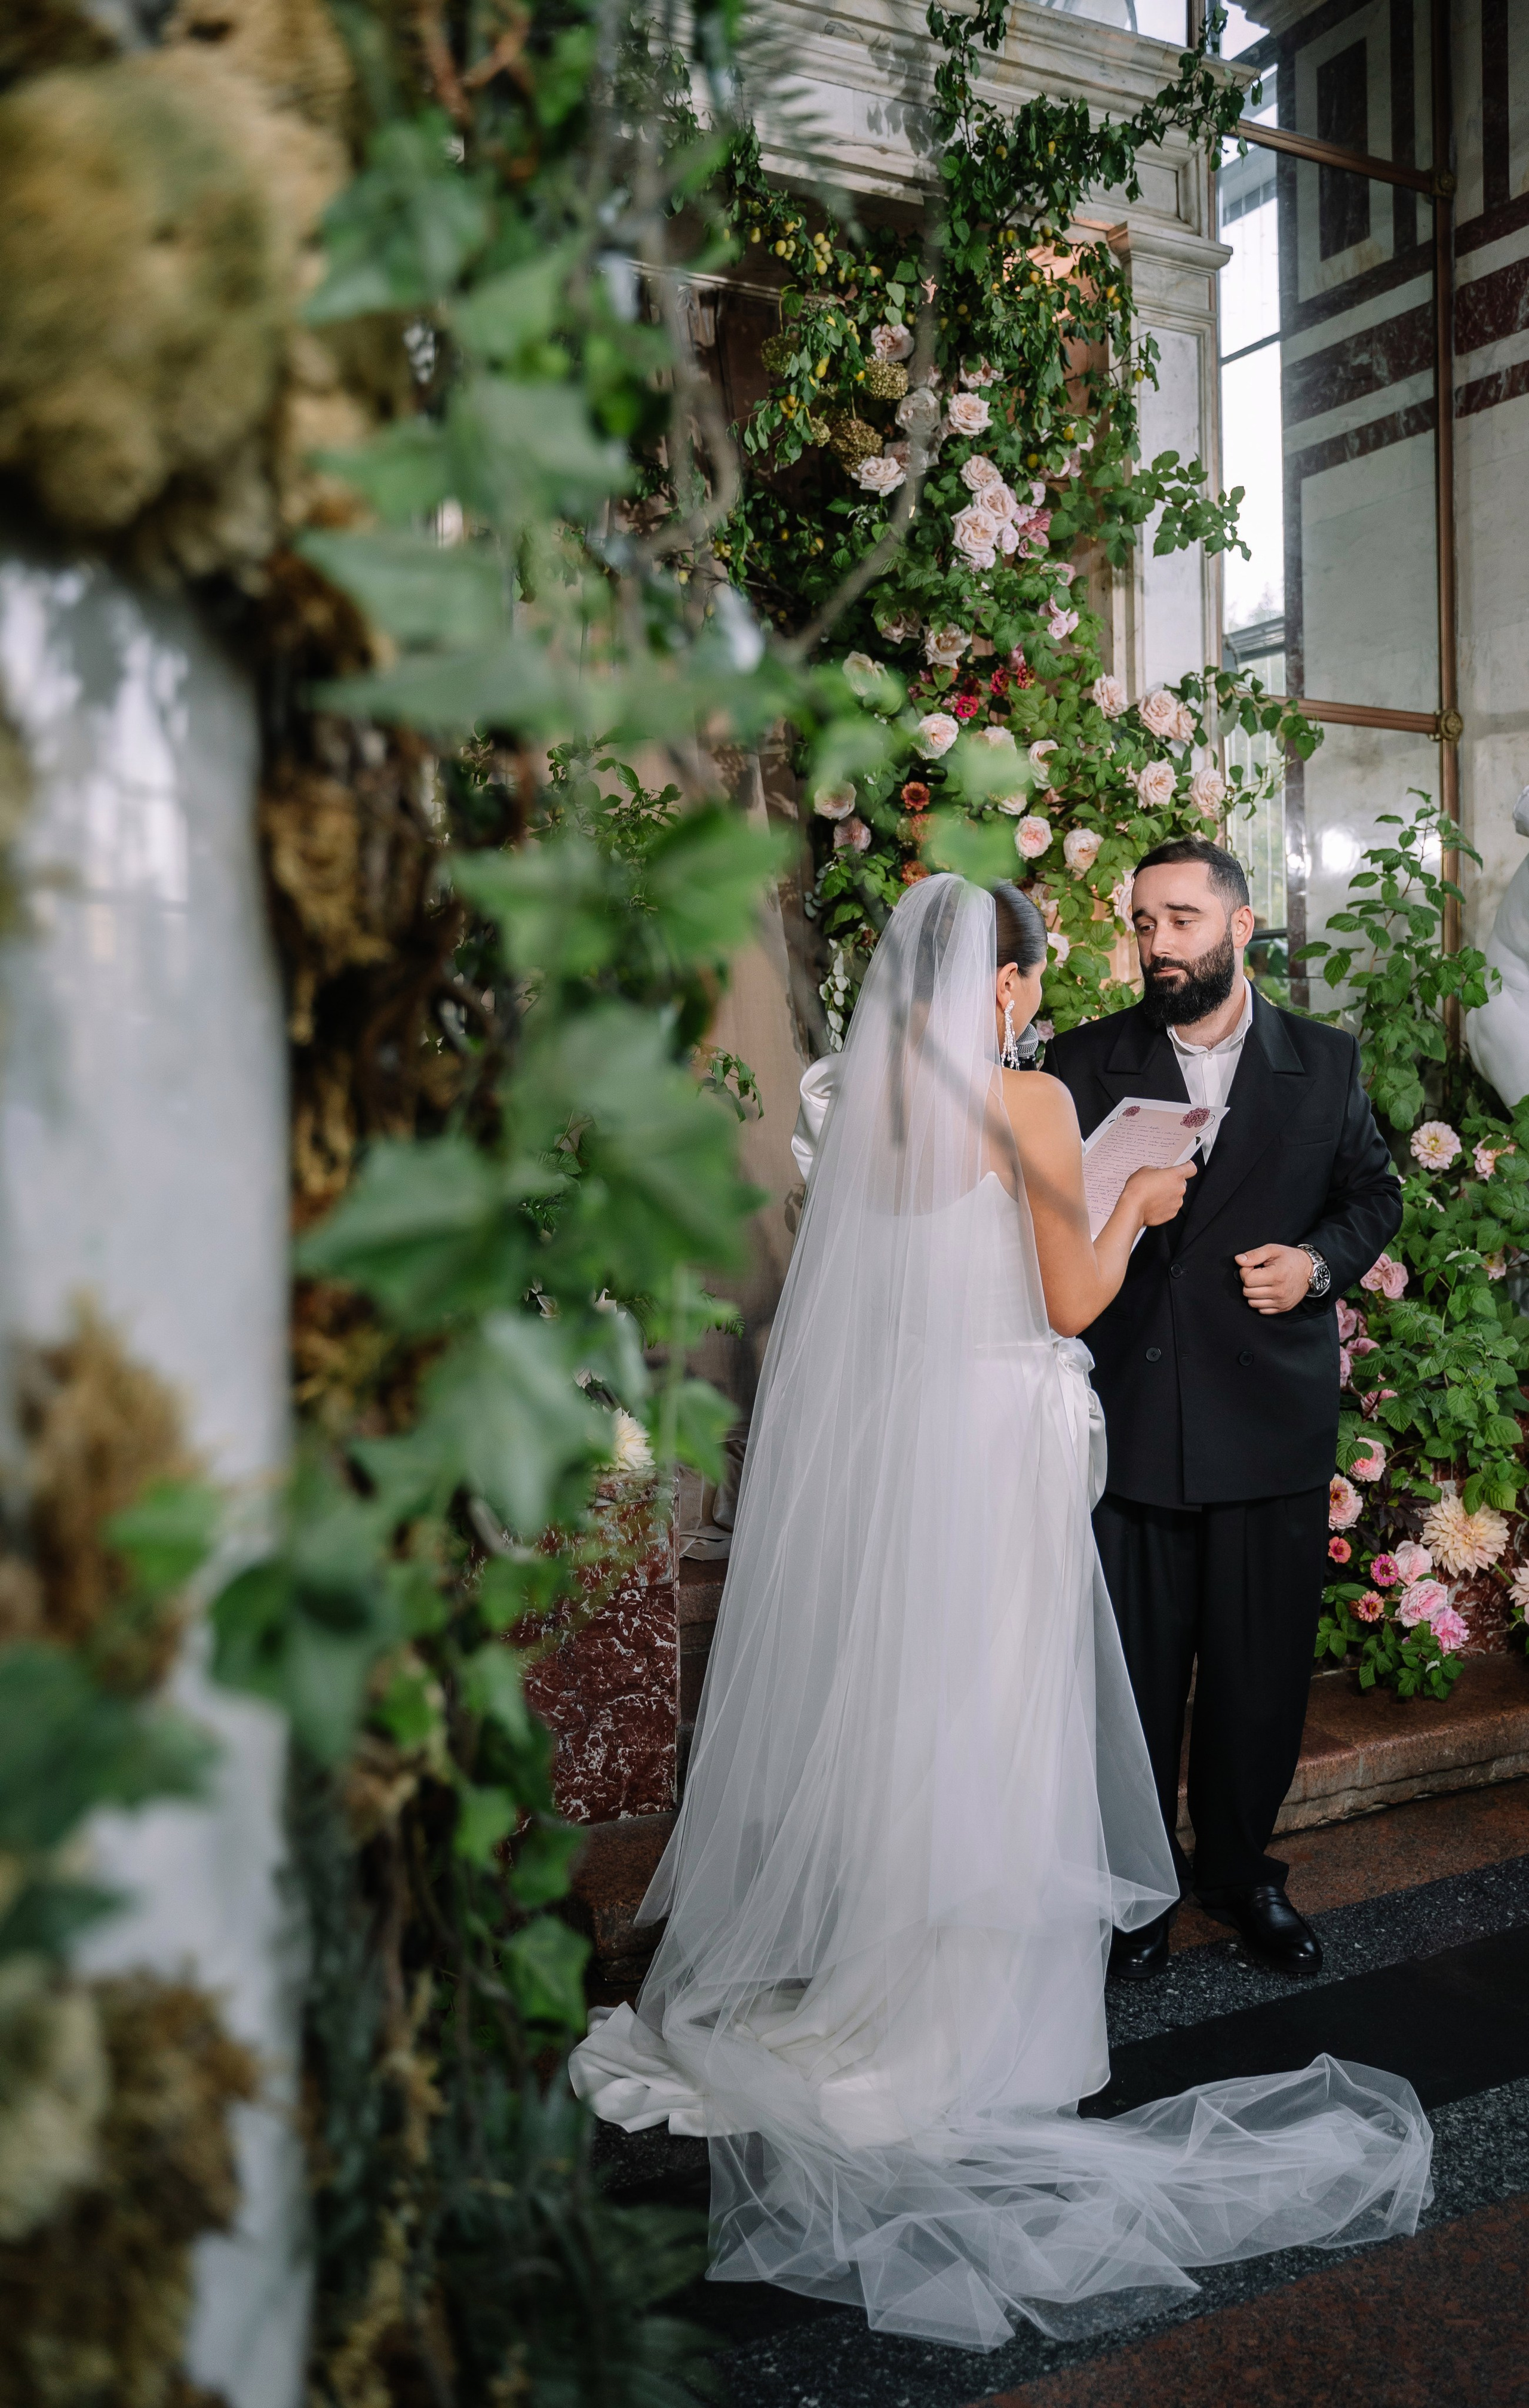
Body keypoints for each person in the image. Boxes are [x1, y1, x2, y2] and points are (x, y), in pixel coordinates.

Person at [569, 874, 1429, 2351]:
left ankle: (884, 1971)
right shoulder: (1028, 1096)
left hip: (910, 1444)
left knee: (913, 1699)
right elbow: (1070, 1299)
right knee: (1000, 1706)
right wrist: (1136, 1202)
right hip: (1006, 1439)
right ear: (1010, 982)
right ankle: (973, 2020)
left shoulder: (861, 1101)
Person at [1047, 838, 1404, 1982]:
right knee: (1136, 1678)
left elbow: (1375, 1193)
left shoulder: (1325, 1061)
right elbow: (1048, 1227)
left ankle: (1245, 1872)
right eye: (1144, 922)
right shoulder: (1083, 1060)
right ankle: (1140, 1889)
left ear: (1241, 927)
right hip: (1134, 1416)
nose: (1158, 944)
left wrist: (1317, 1265)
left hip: (1268, 1416)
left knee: (1259, 1674)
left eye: (1183, 919)